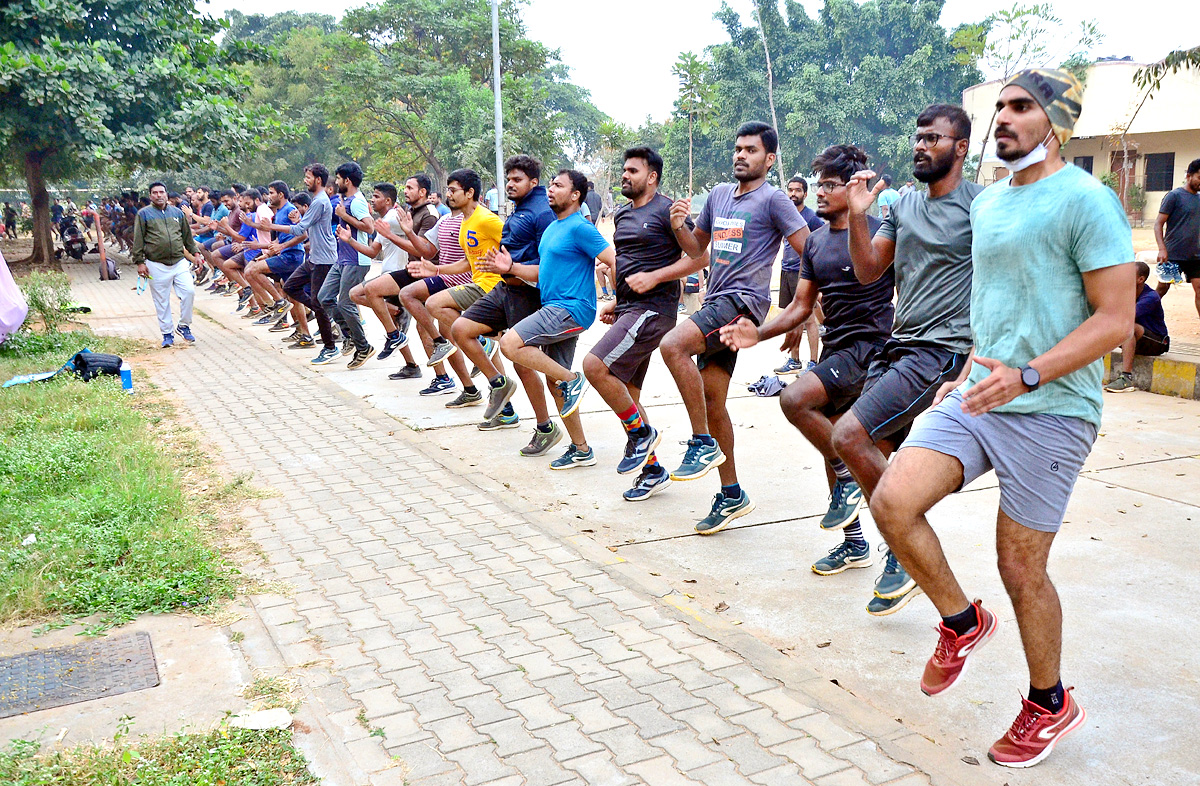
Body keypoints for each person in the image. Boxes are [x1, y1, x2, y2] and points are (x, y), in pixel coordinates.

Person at [869, 68, 1134, 768]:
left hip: (1052, 408)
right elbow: (993, 307)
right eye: (1001, 108)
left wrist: (1031, 374)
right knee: (893, 498)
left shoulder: (1087, 201)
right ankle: (961, 622)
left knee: (1020, 567)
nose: (1005, 119)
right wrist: (962, 377)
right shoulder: (989, 206)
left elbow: (1116, 319)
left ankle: (1049, 703)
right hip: (980, 391)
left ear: (1057, 123)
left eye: (1022, 107)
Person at [829, 104, 983, 616]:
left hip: (942, 350)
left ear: (960, 148)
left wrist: (971, 365)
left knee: (849, 435)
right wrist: (855, 213)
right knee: (873, 451)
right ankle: (902, 548)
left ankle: (902, 548)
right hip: (898, 345)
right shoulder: (904, 205)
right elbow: (869, 269)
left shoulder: (981, 208)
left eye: (934, 139)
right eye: (918, 137)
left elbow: (997, 288)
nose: (921, 146)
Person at [721, 144, 893, 582]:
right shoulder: (813, 242)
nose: (820, 192)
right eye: (819, 184)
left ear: (857, 187)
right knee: (838, 452)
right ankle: (855, 542)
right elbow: (801, 306)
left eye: (830, 185)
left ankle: (898, 548)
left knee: (797, 401)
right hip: (837, 350)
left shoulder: (881, 233)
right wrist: (757, 334)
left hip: (872, 352)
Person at [659, 121, 809, 534]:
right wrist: (679, 226)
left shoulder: (775, 200)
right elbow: (698, 251)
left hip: (743, 304)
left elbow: (809, 250)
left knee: (672, 346)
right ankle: (732, 494)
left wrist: (803, 309)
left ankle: (701, 442)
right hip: (715, 301)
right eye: (738, 149)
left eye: (751, 150)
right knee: (713, 400)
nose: (741, 155)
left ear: (769, 159)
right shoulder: (720, 196)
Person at [582, 147, 706, 500]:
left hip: (654, 310)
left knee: (594, 365)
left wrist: (655, 278)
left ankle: (641, 436)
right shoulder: (622, 215)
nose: (625, 175)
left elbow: (700, 256)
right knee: (629, 395)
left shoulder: (669, 210)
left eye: (632, 171)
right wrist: (619, 301)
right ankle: (652, 469)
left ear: (651, 177)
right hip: (630, 309)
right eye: (624, 170)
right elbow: (630, 263)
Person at [491, 170, 615, 469]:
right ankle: (581, 448)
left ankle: (575, 380)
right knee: (553, 380)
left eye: (558, 186)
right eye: (550, 185)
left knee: (510, 344)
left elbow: (612, 259)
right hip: (554, 306)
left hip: (572, 309)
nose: (550, 190)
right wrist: (513, 267)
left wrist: (618, 299)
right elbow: (542, 274)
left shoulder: (580, 228)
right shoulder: (552, 230)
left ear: (575, 195)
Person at [451, 154, 560, 442]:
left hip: (528, 294)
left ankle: (545, 428)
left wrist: (515, 270)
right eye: (508, 179)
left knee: (523, 364)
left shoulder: (541, 212)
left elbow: (548, 261)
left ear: (533, 182)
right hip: (504, 289)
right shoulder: (520, 208)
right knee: (461, 329)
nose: (510, 184)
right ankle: (498, 383)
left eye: (517, 180)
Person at [398, 168, 504, 406]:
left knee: (439, 309)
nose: (448, 194)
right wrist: (435, 270)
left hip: (493, 287)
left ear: (470, 192)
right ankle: (501, 403)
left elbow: (511, 248)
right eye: (448, 189)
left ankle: (480, 352)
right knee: (458, 332)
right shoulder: (466, 223)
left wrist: (512, 272)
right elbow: (468, 261)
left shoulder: (487, 219)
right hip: (476, 284)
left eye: (453, 190)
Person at [349, 173, 442, 380]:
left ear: (423, 192)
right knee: (367, 293)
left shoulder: (428, 214)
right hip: (411, 272)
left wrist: (393, 234)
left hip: (428, 275)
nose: (405, 191)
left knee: (428, 330)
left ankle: (446, 377)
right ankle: (400, 345)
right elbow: (376, 250)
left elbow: (426, 250)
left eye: (410, 188)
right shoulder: (408, 213)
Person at [341, 182, 424, 374]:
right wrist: (350, 240)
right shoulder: (385, 220)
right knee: (391, 324)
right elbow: (372, 251)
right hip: (387, 275)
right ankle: (411, 365)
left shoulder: (394, 217)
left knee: (356, 293)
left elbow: (415, 240)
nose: (372, 199)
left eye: (376, 196)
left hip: (398, 275)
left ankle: (396, 320)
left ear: (387, 200)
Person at [274, 164, 339, 361]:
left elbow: (299, 230)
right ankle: (324, 313)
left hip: (324, 259)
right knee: (291, 287)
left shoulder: (320, 202)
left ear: (318, 180)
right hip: (314, 258)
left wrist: (270, 225)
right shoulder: (316, 201)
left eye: (308, 177)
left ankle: (330, 347)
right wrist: (299, 221)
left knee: (319, 302)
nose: (305, 181)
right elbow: (308, 228)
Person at [320, 162, 376, 367]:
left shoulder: (358, 202)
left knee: (345, 302)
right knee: (324, 297)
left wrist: (344, 217)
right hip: (341, 259)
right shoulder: (347, 200)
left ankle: (363, 346)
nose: (336, 182)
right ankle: (349, 334)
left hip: (356, 259)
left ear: (347, 181)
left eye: (338, 178)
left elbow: (369, 228)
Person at [131, 182, 200, 347]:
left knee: (189, 291)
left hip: (179, 261)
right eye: (154, 193)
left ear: (166, 194)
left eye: (161, 192)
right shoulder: (144, 214)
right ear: (150, 196)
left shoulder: (177, 213)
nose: (158, 195)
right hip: (155, 264)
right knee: (161, 300)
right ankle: (167, 334)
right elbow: (138, 239)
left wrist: (195, 253)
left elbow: (187, 236)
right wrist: (140, 262)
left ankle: (184, 326)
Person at [775, 176, 825, 376]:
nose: (793, 194)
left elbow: (824, 239)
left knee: (809, 318)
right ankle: (794, 360)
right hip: (786, 270)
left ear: (805, 194)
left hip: (804, 274)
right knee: (791, 316)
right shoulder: (784, 216)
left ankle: (813, 362)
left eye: (797, 190)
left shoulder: (811, 218)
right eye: (790, 190)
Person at [1105, 260, 1170, 392]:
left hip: (1157, 342)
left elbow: (1125, 316)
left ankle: (1126, 379)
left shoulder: (1151, 297)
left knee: (1128, 326)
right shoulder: (1124, 293)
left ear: (1140, 279)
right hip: (1135, 338)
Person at [1152, 157, 1200, 317]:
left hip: (1195, 256)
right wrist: (1161, 248)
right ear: (1189, 176)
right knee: (1162, 289)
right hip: (1172, 254)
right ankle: (1138, 316)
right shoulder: (1174, 196)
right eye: (1199, 177)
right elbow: (1158, 224)